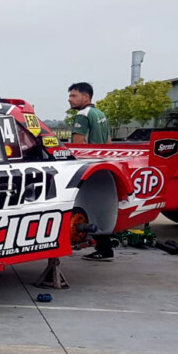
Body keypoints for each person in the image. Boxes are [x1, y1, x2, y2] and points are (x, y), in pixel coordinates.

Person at [68, 82, 114, 261]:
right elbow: (109, 142)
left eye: (74, 95)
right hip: (103, 165)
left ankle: (102, 248)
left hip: (87, 166)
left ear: (86, 97)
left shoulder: (82, 115)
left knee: (87, 206)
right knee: (101, 207)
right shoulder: (100, 114)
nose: (70, 99)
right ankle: (105, 248)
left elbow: (77, 145)